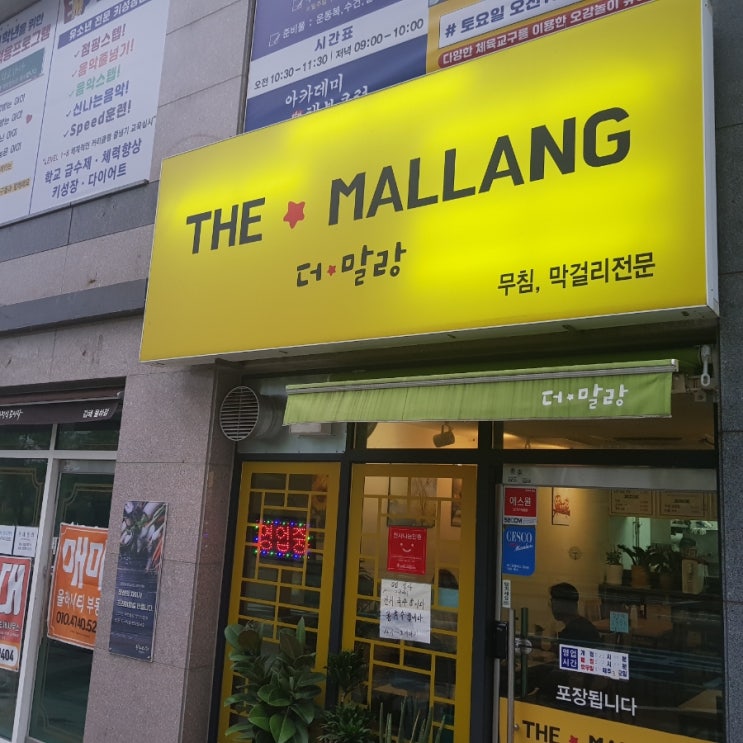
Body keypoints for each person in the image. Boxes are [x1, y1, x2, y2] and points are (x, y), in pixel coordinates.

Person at [549, 582, 601, 646]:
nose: (551, 607)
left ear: (561, 604)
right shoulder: (585, 626)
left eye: (553, 603)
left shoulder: (571, 634)